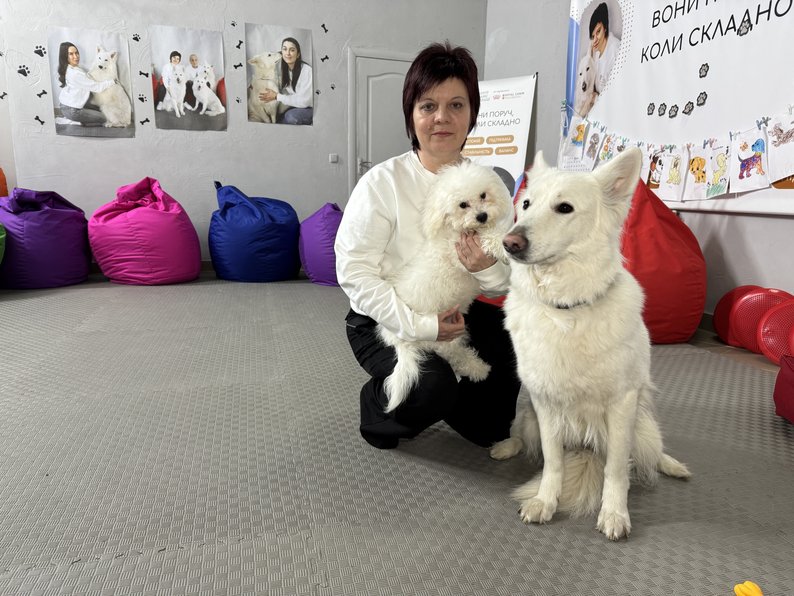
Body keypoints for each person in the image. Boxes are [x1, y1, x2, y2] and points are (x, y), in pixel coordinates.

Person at [334, 41, 521, 450]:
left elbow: (508, 279)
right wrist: (424, 327)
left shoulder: (488, 186)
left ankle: (453, 399)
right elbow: (354, 273)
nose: (442, 118)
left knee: (491, 422)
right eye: (428, 106)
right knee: (428, 386)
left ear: (472, 113)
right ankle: (378, 408)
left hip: (457, 306)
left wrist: (484, 268)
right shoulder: (381, 183)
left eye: (456, 105)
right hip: (381, 317)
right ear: (412, 114)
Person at [56, 42, 116, 126]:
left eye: (76, 53)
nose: (76, 56)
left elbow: (87, 79)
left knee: (102, 109)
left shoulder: (72, 68)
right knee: (105, 118)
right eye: (71, 54)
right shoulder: (75, 74)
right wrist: (112, 81)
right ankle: (75, 121)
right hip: (72, 110)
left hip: (67, 105)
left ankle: (77, 117)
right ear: (65, 56)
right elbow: (97, 87)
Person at [258, 37, 313, 125]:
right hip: (297, 105)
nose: (288, 53)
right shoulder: (285, 69)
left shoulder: (307, 71)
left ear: (298, 54)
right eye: (285, 49)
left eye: (292, 50)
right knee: (278, 114)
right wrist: (255, 83)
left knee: (291, 116)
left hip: (309, 108)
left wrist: (277, 96)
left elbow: (304, 101)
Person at [589, 2, 619, 95]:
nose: (595, 40)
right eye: (593, 36)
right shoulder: (596, 54)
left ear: (605, 28)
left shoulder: (615, 50)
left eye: (598, 31)